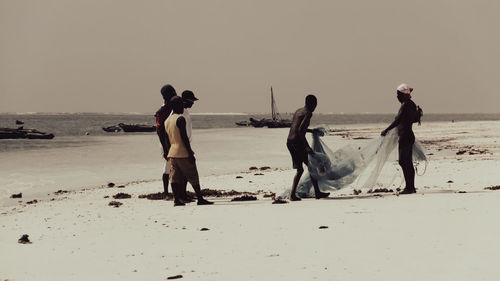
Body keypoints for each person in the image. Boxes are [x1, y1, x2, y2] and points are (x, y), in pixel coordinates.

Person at [165, 96, 213, 206]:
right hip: (182, 151)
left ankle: (176, 200)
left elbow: (166, 139)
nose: (183, 106)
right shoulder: (180, 119)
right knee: (193, 175)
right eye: (181, 104)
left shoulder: (167, 121)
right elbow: (184, 138)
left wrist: (168, 152)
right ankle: (200, 199)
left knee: (174, 177)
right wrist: (190, 152)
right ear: (176, 106)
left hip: (172, 152)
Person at [287, 95, 330, 201]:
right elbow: (300, 131)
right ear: (310, 103)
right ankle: (316, 193)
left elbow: (296, 128)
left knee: (301, 169)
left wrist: (312, 131)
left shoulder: (298, 111)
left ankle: (296, 194)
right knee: (311, 166)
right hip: (297, 142)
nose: (315, 107)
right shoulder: (308, 113)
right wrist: (306, 146)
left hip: (289, 142)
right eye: (315, 104)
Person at [381, 83, 419, 194]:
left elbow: (398, 120)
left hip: (405, 136)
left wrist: (386, 130)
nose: (397, 96)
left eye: (398, 94)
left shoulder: (406, 104)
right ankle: (410, 187)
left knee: (404, 161)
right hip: (407, 135)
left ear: (403, 95)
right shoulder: (409, 104)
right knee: (406, 162)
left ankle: (409, 187)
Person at [155, 84, 177, 196]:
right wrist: (165, 148)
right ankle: (166, 192)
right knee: (168, 166)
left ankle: (172, 192)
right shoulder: (162, 111)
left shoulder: (171, 107)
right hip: (165, 141)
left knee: (174, 166)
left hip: (173, 140)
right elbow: (159, 131)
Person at [177, 90, 198, 202]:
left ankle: (183, 194)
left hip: (186, 144)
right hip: (182, 145)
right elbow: (182, 134)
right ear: (185, 100)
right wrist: (188, 150)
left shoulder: (186, 112)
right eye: (192, 101)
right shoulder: (181, 113)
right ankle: (181, 196)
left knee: (184, 173)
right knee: (184, 172)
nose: (193, 103)